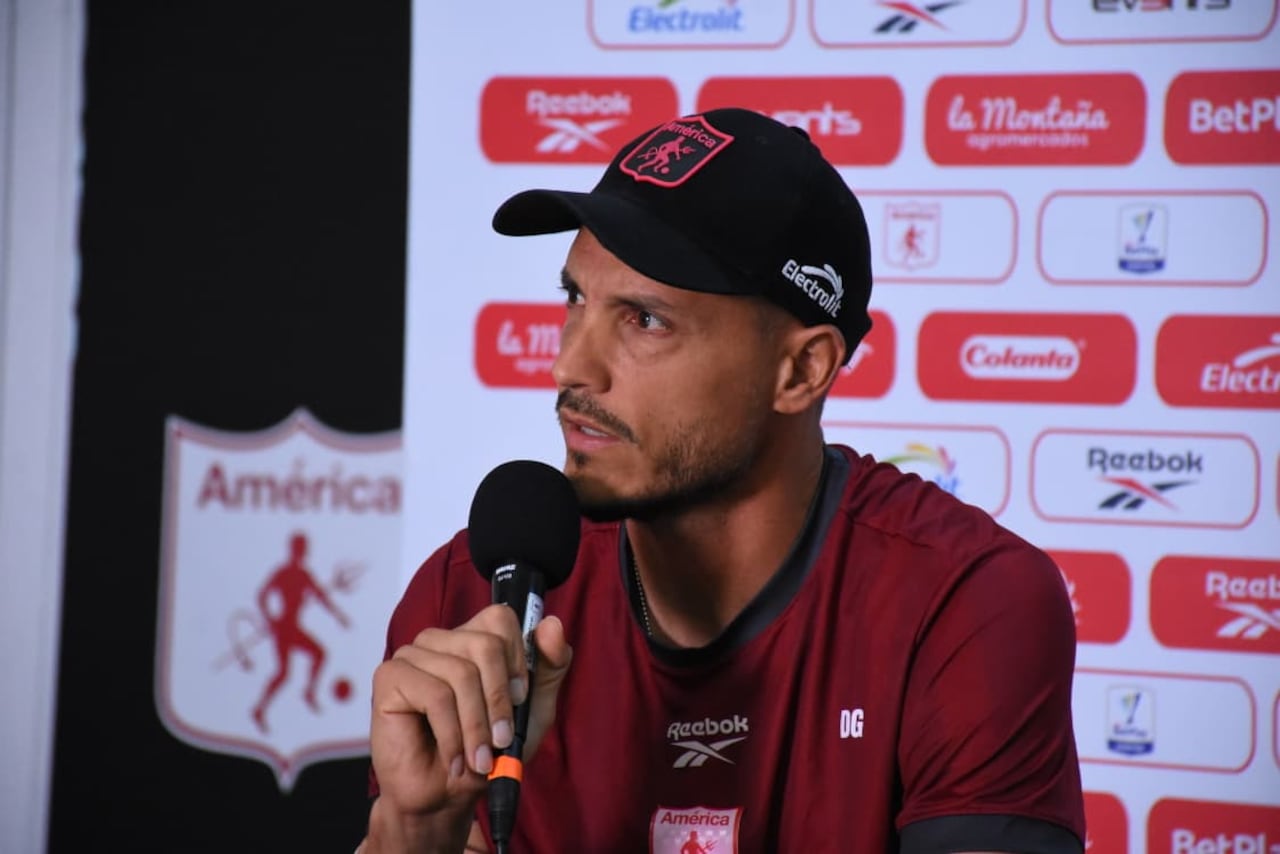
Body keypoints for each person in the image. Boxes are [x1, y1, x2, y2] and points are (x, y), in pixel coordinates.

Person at [359, 107, 1085, 853]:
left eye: (644, 320)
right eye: (576, 298)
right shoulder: (474, 596)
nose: (570, 366)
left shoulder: (963, 603)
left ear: (802, 370)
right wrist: (417, 828)